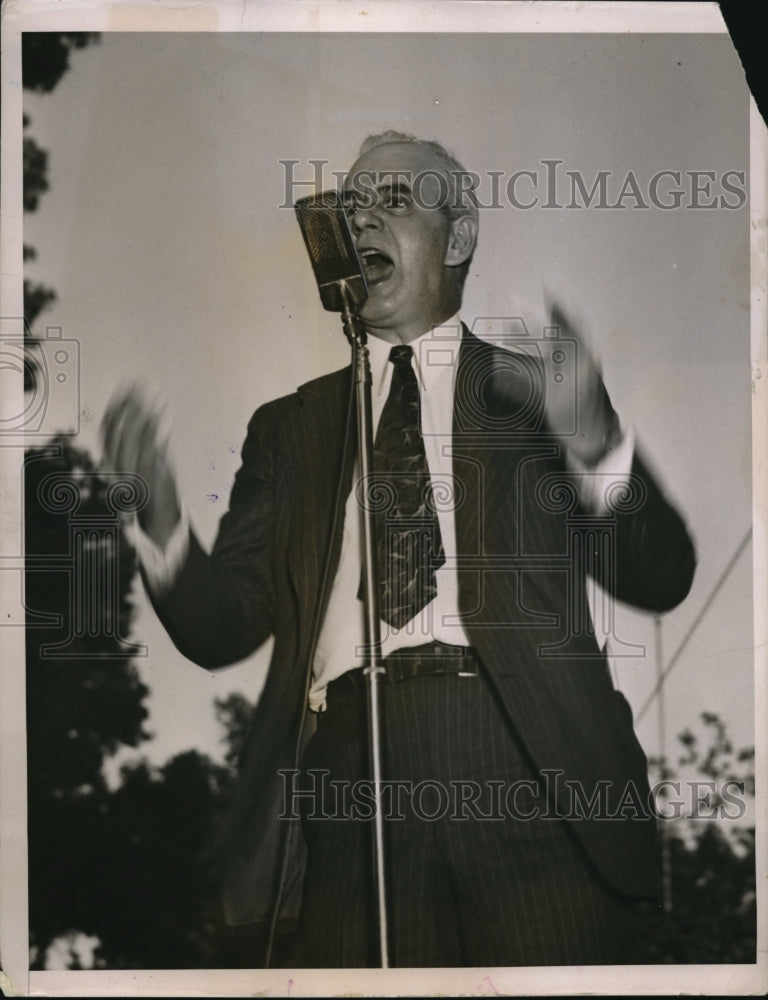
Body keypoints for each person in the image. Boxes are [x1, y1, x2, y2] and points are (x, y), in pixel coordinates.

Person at [101, 131, 696, 968]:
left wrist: (596, 446)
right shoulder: (291, 427)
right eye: (351, 206)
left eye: (394, 200)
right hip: (348, 788)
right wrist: (159, 523)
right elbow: (222, 627)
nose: (362, 217)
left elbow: (661, 573)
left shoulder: (534, 397)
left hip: (527, 771)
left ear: (458, 239)